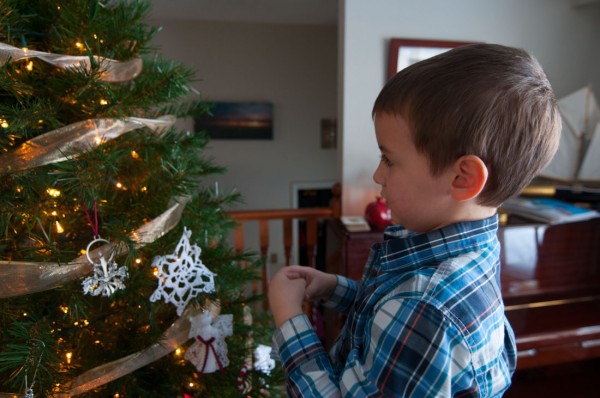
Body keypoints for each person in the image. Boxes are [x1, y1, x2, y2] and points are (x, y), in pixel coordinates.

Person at [268, 43, 561, 397]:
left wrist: (290, 321)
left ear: (463, 178)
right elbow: (388, 314)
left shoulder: (424, 307)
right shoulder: (473, 250)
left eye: (389, 160)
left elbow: (408, 315)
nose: (378, 175)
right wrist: (335, 288)